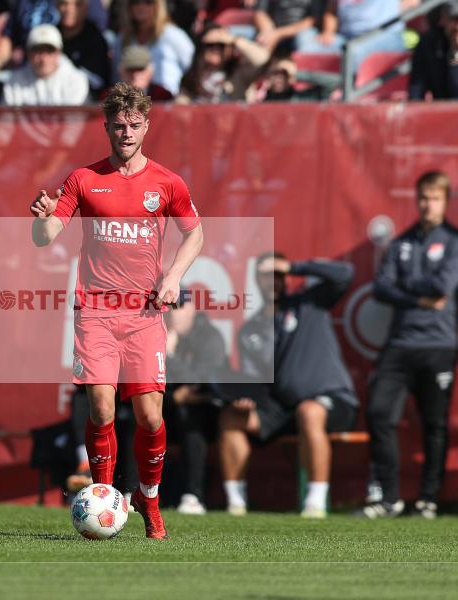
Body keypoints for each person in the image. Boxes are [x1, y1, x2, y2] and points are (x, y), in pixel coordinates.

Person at [30, 82, 203, 539]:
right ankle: (105, 498)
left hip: (145, 315)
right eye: (118, 125)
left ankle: (149, 497)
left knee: (150, 417)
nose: (125, 132)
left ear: (147, 125)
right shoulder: (83, 179)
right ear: (106, 126)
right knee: (102, 407)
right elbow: (45, 236)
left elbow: (195, 234)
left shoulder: (166, 182)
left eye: (134, 125)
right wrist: (41, 218)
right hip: (96, 312)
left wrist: (173, 277)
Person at [362, 171, 458, 519]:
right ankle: (390, 498)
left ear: (445, 201)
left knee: (433, 422)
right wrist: (418, 296)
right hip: (400, 342)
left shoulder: (456, 242)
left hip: (438, 344)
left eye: (435, 198)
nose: (427, 204)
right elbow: (380, 287)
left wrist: (407, 286)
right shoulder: (402, 242)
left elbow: (443, 285)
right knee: (379, 412)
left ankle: (428, 499)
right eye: (423, 198)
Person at [219, 253, 358, 518]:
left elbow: (345, 274)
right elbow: (254, 381)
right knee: (231, 417)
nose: (272, 281)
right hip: (283, 407)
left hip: (331, 401)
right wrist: (245, 399)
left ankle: (315, 502)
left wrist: (296, 266)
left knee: (309, 411)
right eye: (265, 275)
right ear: (256, 280)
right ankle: (236, 503)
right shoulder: (250, 330)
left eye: (278, 275)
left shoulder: (310, 303)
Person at [163, 294, 228, 515]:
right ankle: (130, 491)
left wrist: (170, 355)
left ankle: (194, 495)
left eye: (179, 306)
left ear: (191, 309)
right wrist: (173, 396)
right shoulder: (155, 331)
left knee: (190, 415)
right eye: (169, 306)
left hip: (206, 413)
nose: (173, 312)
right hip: (167, 404)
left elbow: (203, 382)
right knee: (138, 411)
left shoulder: (210, 336)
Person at [295, 0, 405, 70]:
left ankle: (344, 92)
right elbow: (331, 12)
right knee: (307, 43)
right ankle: (308, 92)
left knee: (354, 51)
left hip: (386, 35)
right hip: (347, 38)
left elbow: (412, 2)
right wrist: (328, 32)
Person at [116, 0, 195, 96]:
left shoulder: (173, 35)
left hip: (167, 102)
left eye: (148, 2)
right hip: (132, 103)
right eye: (135, 2)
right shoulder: (123, 39)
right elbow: (116, 75)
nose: (141, 6)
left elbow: (194, 67)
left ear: (158, 6)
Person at [177, 24, 269, 103]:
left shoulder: (237, 72)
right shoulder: (191, 78)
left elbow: (263, 59)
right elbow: (180, 105)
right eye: (210, 45)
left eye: (221, 45)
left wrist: (233, 39)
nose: (215, 49)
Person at [2, 24, 90, 105]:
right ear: (28, 53)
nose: (43, 58)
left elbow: (74, 120)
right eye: (38, 51)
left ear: (59, 53)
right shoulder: (13, 82)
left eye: (49, 51)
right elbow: (8, 120)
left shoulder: (76, 81)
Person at [57, 0, 112, 96]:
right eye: (64, 4)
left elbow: (97, 83)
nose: (69, 9)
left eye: (78, 4)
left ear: (86, 9)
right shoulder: (51, 36)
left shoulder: (96, 40)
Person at [254, 0, 323, 54]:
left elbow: (313, 19)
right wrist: (268, 32)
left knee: (304, 41)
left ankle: (302, 70)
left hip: (302, 30)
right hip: (273, 28)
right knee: (244, 35)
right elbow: (261, 13)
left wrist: (278, 34)